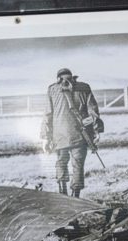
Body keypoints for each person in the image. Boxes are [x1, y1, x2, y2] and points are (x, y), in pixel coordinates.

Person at [40, 68, 103, 198]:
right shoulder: (84, 88)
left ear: (58, 78)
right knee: (78, 165)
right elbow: (93, 112)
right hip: (81, 135)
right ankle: (76, 196)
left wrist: (45, 138)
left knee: (61, 162)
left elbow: (47, 115)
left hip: (59, 136)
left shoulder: (52, 89)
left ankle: (62, 194)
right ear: (73, 77)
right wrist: (97, 131)